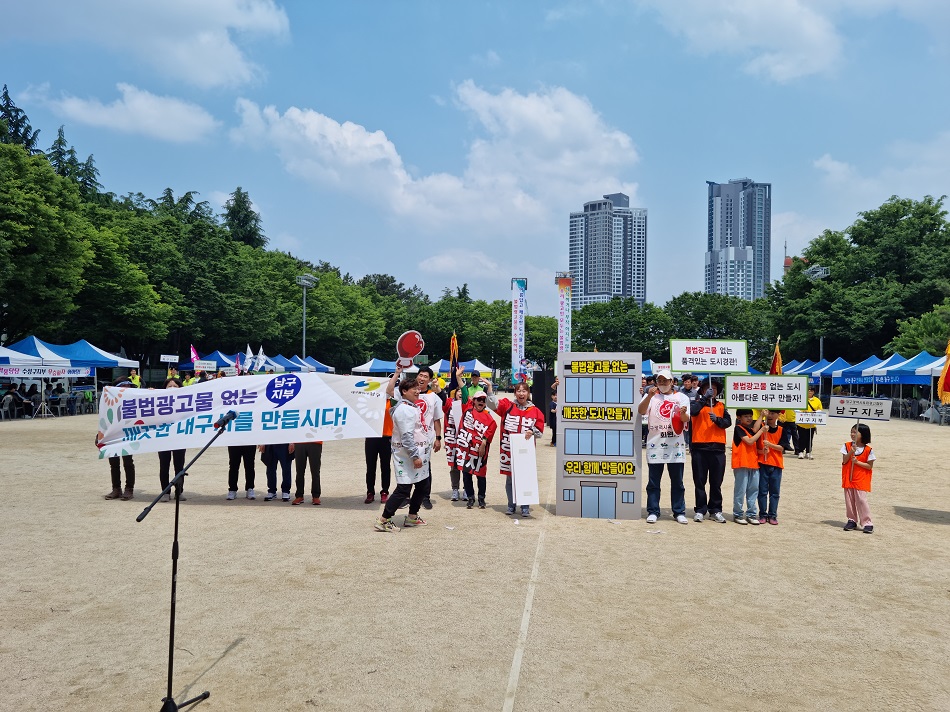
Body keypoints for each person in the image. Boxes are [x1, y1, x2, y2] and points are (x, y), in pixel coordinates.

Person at [375, 377, 432, 531]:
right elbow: (406, 436)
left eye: (418, 388)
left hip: (419, 454)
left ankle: (412, 516)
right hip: (408, 456)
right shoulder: (404, 409)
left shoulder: (411, 407)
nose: (417, 391)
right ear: (404, 392)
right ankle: (383, 520)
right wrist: (414, 456)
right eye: (414, 388)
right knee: (404, 488)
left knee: (422, 485)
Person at [386, 364, 442, 510]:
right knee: (406, 475)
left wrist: (438, 438)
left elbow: (436, 418)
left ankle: (424, 498)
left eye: (425, 376)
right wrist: (397, 373)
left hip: (424, 442)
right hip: (408, 444)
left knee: (424, 475)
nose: (422, 378)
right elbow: (389, 391)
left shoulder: (432, 396)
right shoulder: (406, 395)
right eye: (420, 375)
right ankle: (403, 499)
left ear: (429, 380)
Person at [485, 379, 544, 517]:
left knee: (525, 477)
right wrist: (489, 388)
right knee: (510, 479)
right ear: (515, 393)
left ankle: (525, 506)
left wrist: (532, 431)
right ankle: (511, 505)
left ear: (528, 393)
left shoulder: (535, 411)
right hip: (509, 449)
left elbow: (540, 430)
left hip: (525, 451)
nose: (521, 393)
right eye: (518, 391)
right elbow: (493, 404)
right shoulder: (507, 406)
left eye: (524, 391)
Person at [638, 369, 690, 524]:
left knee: (677, 482)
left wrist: (682, 413)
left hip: (675, 446)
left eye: (665, 380)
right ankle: (653, 511)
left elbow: (686, 419)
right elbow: (641, 411)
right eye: (659, 381)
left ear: (672, 382)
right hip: (656, 444)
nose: (662, 383)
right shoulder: (652, 396)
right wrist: (649, 396)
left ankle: (679, 511)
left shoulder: (682, 397)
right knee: (653, 482)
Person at [689, 378, 731, 523]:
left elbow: (728, 423)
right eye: (708, 388)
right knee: (699, 481)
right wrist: (704, 398)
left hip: (717, 448)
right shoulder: (696, 404)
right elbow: (692, 412)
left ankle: (715, 509)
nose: (711, 390)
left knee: (716, 482)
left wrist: (718, 420)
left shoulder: (721, 406)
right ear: (702, 390)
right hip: (699, 447)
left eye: (714, 388)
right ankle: (700, 509)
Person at [454, 385, 497, 510]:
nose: (481, 402)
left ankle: (481, 498)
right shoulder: (467, 410)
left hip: (480, 451)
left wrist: (483, 443)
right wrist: (459, 378)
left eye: (483, 400)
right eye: (479, 399)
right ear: (474, 401)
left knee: (481, 475)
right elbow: (464, 392)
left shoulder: (488, 416)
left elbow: (492, 428)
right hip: (466, 450)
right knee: (466, 474)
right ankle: (470, 498)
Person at [364, 371, 398, 504]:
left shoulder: (393, 401)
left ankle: (385, 491)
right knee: (370, 466)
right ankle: (370, 492)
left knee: (385, 466)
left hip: (386, 437)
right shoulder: (371, 401)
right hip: (371, 436)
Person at [756, 409, 792, 525]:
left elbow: (782, 448)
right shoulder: (762, 428)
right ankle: (762, 514)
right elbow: (754, 431)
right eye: (769, 413)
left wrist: (770, 445)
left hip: (776, 464)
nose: (770, 416)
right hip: (763, 463)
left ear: (778, 415)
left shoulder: (782, 430)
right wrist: (762, 416)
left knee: (775, 492)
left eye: (772, 414)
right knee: (762, 491)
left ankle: (772, 515)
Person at [732, 409, 766, 524]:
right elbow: (750, 441)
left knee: (753, 490)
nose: (749, 418)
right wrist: (762, 430)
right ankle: (738, 514)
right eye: (746, 416)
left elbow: (755, 430)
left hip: (753, 463)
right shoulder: (738, 428)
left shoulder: (751, 430)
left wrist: (761, 415)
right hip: (741, 463)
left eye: (750, 416)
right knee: (740, 490)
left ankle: (751, 514)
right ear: (739, 418)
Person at [157, 377, 187, 502]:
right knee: (164, 466)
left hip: (179, 438)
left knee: (179, 467)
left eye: (175, 386)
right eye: (169, 386)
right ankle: (165, 492)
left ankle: (179, 491)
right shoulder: (158, 401)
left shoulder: (185, 401)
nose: (172, 388)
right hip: (163, 438)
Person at [842, 423, 875, 533]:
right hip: (849, 478)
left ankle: (867, 522)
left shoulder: (868, 450)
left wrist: (857, 462)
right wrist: (851, 451)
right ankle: (851, 520)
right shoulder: (847, 446)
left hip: (861, 479)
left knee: (861, 500)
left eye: (855, 432)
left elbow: (869, 466)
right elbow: (844, 461)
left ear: (863, 434)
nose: (852, 434)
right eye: (851, 432)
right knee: (849, 500)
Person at [292, 440, 323, 505]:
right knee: (299, 471)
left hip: (315, 442)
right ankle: (299, 496)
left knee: (315, 471)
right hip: (300, 443)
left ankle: (316, 496)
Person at [795, 386, 823, 459]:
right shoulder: (801, 398)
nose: (810, 392)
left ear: (813, 392)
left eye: (811, 391)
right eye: (808, 390)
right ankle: (800, 451)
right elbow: (795, 408)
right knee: (801, 438)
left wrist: (815, 412)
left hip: (811, 423)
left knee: (810, 438)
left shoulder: (817, 400)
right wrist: (802, 412)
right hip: (801, 423)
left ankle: (808, 452)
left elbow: (820, 409)